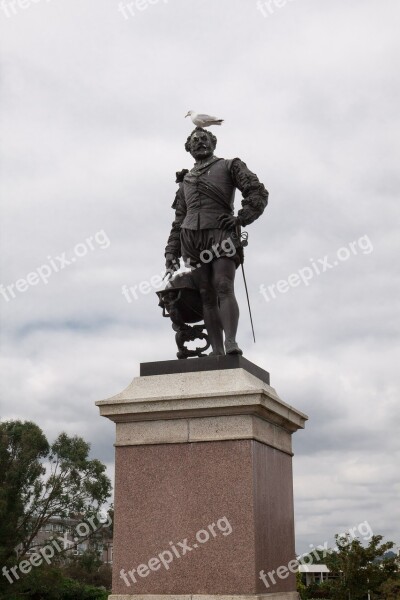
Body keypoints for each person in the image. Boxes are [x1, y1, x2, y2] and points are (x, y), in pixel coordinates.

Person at [165, 127, 268, 356]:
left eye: (205, 139)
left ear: (213, 143)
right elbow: (178, 220)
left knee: (223, 285)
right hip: (191, 238)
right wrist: (171, 252)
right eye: (195, 141)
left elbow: (257, 192)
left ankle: (230, 341)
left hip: (221, 234)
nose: (200, 142)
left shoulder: (230, 165)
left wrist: (241, 217)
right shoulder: (185, 183)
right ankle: (217, 350)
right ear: (189, 148)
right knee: (205, 293)